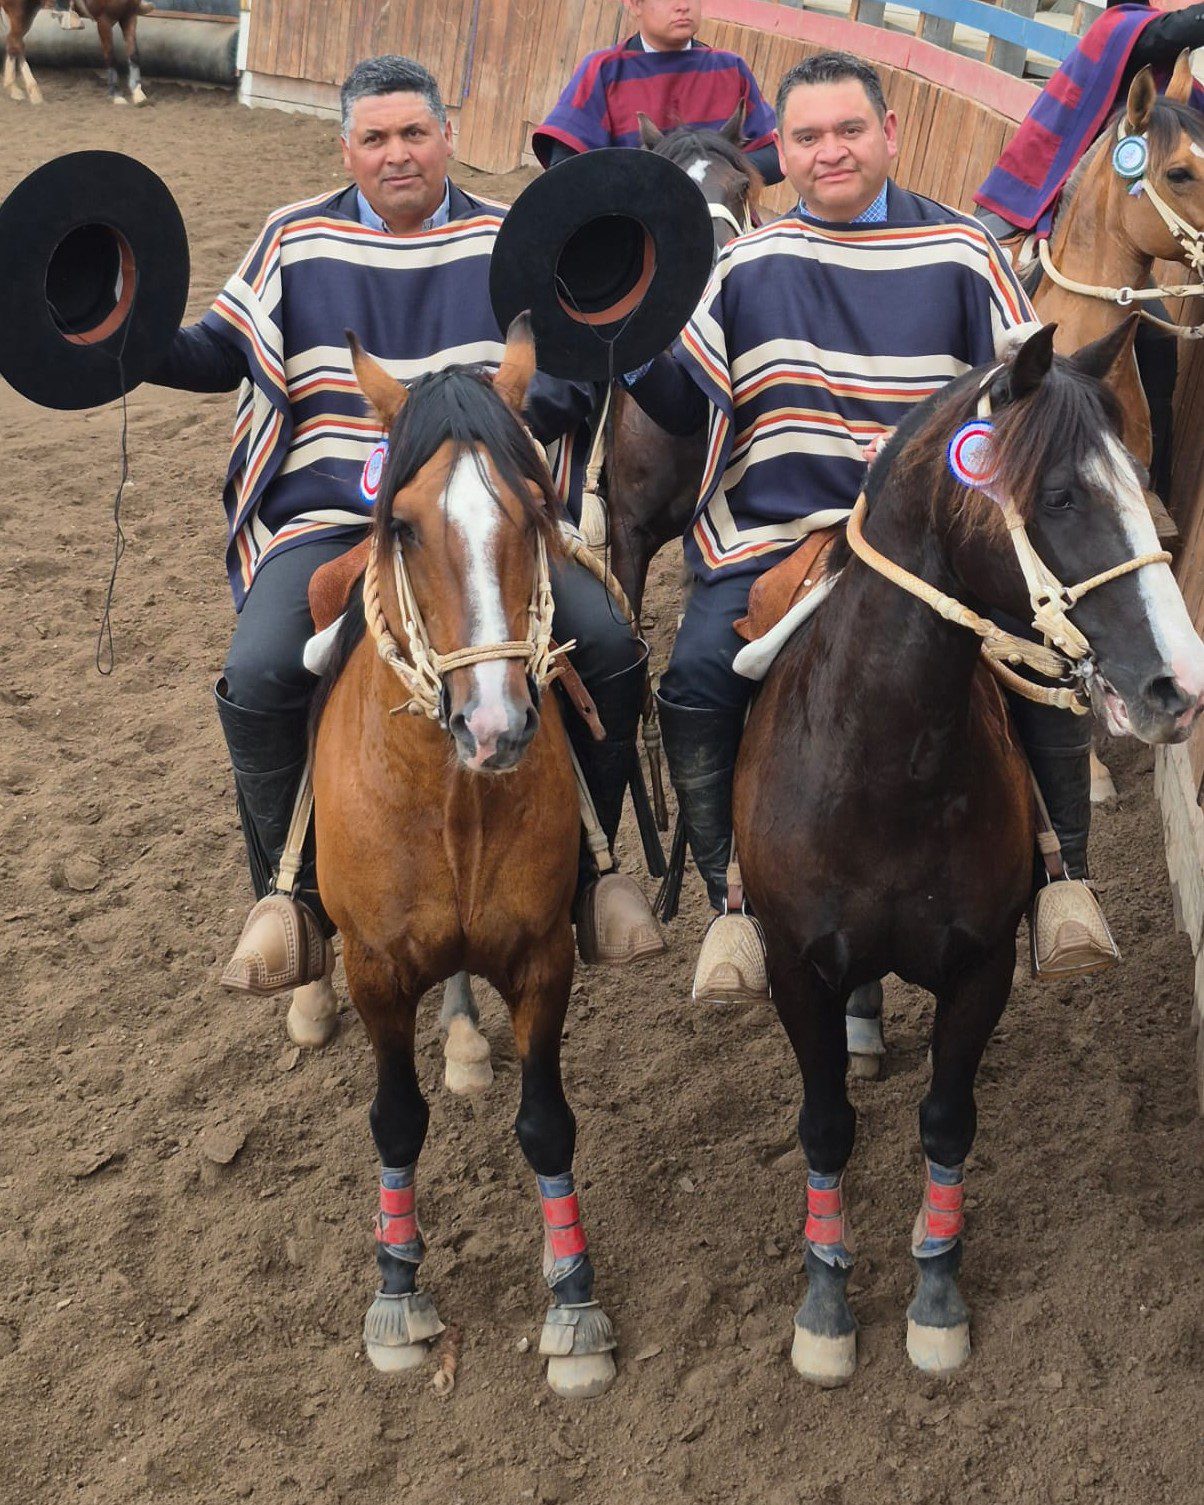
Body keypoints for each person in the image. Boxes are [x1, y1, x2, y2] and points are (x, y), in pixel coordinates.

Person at [151, 55, 664, 1022]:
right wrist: (127, 337)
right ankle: (293, 895)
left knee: (606, 641)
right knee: (260, 670)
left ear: (449, 135)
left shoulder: (508, 241)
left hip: (485, 512)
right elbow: (223, 347)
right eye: (375, 138)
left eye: (414, 134)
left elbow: (563, 377)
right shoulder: (292, 236)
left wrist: (539, 399)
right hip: (330, 511)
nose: (397, 154)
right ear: (344, 146)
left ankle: (596, 873)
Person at [622, 51, 1117, 1003]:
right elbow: (684, 408)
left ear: (891, 134)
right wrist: (625, 332)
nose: (829, 152)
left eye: (850, 130)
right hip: (778, 530)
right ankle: (733, 897)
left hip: (939, 541)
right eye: (806, 137)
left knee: (1045, 660)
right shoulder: (741, 265)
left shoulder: (965, 254)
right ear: (780, 156)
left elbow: (1026, 396)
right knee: (691, 677)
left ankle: (1065, 881)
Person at [975, 1, 1204, 501]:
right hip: (1040, 211)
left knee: (1160, 342)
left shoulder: (1181, 97)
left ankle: (1152, 493)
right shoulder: (1120, 27)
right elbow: (1160, 35)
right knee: (974, 288)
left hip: (1120, 232)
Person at [532, 0, 783, 184]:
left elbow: (775, 155)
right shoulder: (603, 70)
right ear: (634, 4)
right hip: (631, 229)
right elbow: (565, 165)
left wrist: (714, 173)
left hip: (721, 222)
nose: (683, 6)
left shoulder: (730, 69)